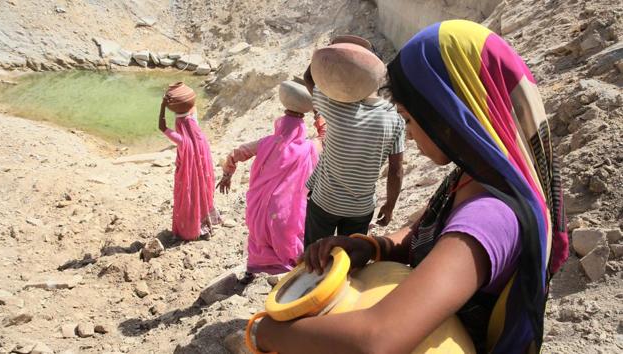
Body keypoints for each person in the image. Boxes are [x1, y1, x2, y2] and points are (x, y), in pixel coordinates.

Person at [254, 20, 569, 353]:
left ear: (448, 116)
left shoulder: (488, 216)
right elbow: (421, 235)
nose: (409, 133)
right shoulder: (472, 177)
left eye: (408, 119)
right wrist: (373, 246)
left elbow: (376, 340)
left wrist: (266, 331)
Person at [302, 35, 406, 247]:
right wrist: (390, 206)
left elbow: (309, 78)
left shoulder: (335, 106)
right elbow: (396, 170)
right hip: (360, 209)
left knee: (313, 257)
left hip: (325, 202)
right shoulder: (395, 118)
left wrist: (330, 57)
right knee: (349, 260)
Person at [217, 81, 324, 281]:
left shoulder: (266, 143)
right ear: (301, 127)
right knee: (288, 239)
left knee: (258, 237)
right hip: (287, 211)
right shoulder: (309, 148)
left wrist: (227, 174)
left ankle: (251, 271)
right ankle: (288, 274)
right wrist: (317, 113)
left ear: (280, 122)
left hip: (260, 205)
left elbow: (237, 153)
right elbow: (325, 136)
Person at [158, 82, 218, 241]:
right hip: (201, 173)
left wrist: (163, 106)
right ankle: (205, 224)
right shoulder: (199, 136)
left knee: (189, 198)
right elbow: (191, 110)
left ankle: (189, 229)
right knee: (201, 194)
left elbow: (161, 126)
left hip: (187, 175)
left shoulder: (181, 140)